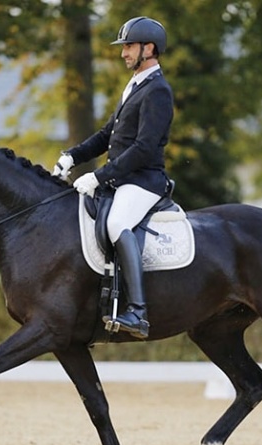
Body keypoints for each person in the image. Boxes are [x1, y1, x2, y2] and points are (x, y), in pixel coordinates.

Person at [52, 16, 173, 339]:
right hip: (122, 180)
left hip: (144, 180)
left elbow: (144, 148)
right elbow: (108, 134)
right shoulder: (135, 86)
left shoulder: (158, 91)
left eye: (129, 47)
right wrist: (73, 156)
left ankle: (138, 311)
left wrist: (98, 176)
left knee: (117, 223)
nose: (123, 54)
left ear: (149, 49)